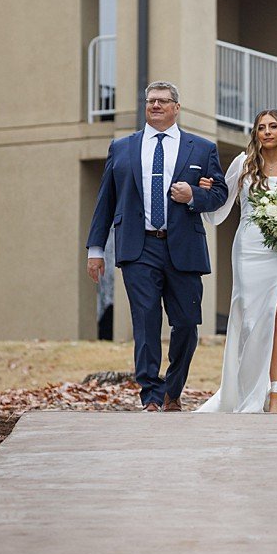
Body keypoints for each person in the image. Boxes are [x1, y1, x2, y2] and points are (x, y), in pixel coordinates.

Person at [85, 82, 229, 411]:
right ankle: (150, 396)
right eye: (151, 101)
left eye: (163, 101)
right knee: (146, 320)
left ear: (177, 107)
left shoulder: (202, 148)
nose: (156, 106)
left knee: (187, 325)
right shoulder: (122, 148)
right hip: (139, 248)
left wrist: (194, 195)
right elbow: (105, 201)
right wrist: (95, 249)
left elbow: (219, 194)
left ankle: (172, 389)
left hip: (184, 249)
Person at [195, 109, 277, 414]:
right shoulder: (242, 164)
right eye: (261, 127)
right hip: (249, 249)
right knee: (252, 319)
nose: (267, 132)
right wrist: (205, 194)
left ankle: (276, 395)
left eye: (273, 126)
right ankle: (245, 389)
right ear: (255, 133)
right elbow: (221, 204)